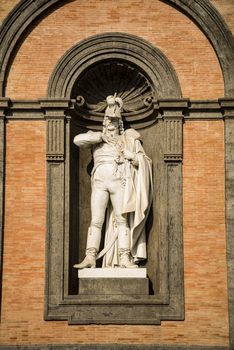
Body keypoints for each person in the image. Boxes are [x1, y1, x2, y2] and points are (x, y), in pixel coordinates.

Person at [73, 94, 153, 269]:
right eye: (108, 119)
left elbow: (144, 160)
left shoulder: (128, 139)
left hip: (119, 182)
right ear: (104, 121)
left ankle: (124, 258)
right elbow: (77, 140)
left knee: (121, 220)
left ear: (119, 123)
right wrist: (99, 137)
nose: (111, 123)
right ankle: (90, 257)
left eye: (114, 120)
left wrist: (133, 157)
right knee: (96, 220)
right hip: (100, 183)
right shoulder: (96, 138)